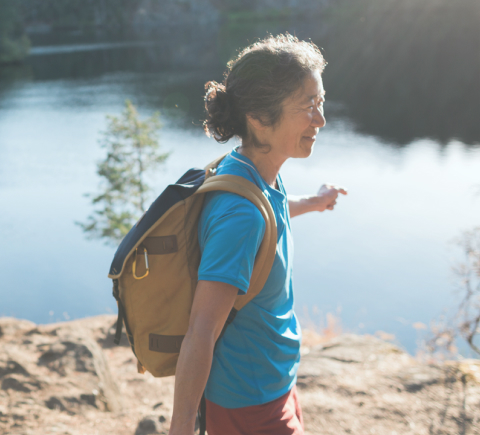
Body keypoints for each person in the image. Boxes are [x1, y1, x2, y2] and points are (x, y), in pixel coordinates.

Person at [168, 34, 347, 435]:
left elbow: (270, 213)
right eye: (307, 107)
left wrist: (313, 202)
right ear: (259, 117)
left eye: (320, 102)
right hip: (249, 405)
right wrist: (180, 428)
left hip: (272, 383)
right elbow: (201, 330)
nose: (320, 119)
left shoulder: (249, 171)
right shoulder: (240, 215)